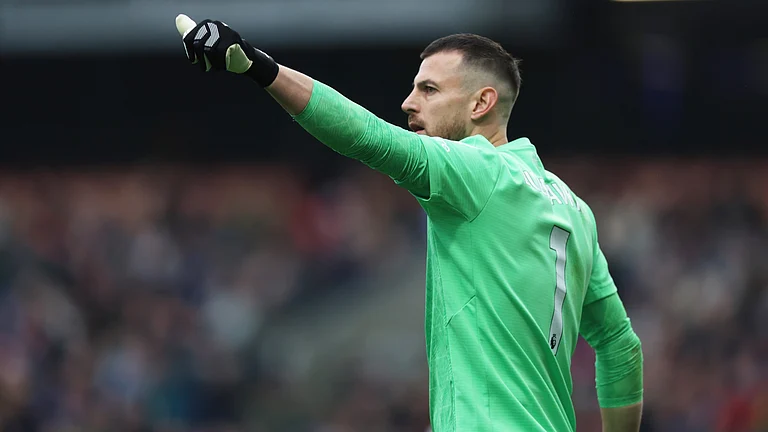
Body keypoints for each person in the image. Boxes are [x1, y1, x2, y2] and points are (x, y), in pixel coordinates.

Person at [174, 15, 644, 432]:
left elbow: (368, 136)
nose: (408, 102)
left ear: (481, 103)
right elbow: (620, 346)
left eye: (429, 90)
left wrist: (259, 67)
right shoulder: (574, 210)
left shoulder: (478, 171)